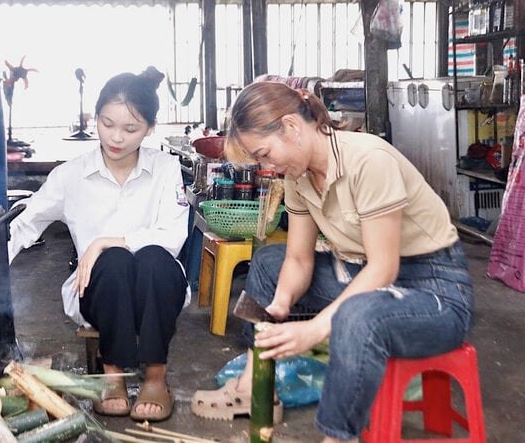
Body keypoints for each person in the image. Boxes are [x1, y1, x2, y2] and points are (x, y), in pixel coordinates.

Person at [191, 81, 474, 443]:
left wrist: (315, 328)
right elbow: (297, 258)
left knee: (357, 315)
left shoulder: (369, 160)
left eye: (264, 153)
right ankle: (252, 388)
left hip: (435, 289)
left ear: (292, 127)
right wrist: (279, 306)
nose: (267, 166)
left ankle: (337, 437)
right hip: (366, 273)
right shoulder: (299, 175)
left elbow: (383, 269)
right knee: (269, 262)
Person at [8, 66, 190, 422]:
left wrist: (105, 242)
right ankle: (113, 378)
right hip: (99, 289)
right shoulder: (70, 176)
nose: (116, 137)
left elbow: (172, 237)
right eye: (107, 124)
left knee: (152, 257)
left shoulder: (166, 168)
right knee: (115, 262)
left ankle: (155, 379)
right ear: (96, 117)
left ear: (150, 129)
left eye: (130, 129)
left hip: (157, 288)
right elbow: (24, 226)